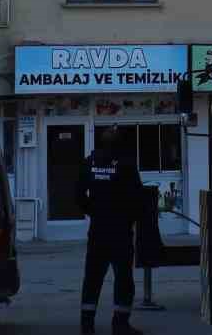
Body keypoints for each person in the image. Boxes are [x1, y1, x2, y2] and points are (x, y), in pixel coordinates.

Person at [78, 127, 144, 334]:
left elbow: (77, 194)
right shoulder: (126, 165)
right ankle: (120, 324)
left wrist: (94, 211)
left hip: (98, 230)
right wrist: (129, 218)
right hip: (120, 231)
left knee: (92, 278)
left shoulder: (90, 163)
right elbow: (137, 197)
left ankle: (87, 325)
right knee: (123, 278)